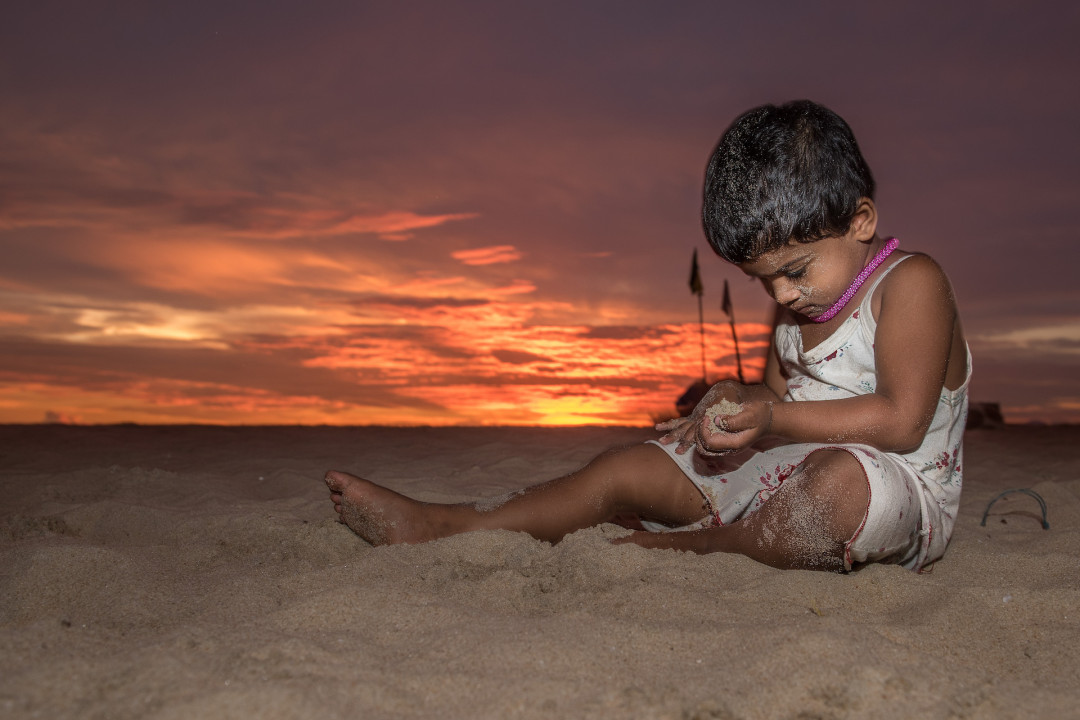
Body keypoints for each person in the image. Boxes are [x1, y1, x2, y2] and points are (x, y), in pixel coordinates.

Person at [327, 100, 970, 573]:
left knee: (834, 487)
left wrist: (771, 414)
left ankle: (699, 547)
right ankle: (457, 525)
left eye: (794, 272)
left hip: (894, 488)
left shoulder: (910, 284)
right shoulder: (797, 303)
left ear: (861, 221)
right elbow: (779, 400)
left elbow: (902, 421)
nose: (780, 296)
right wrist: (736, 405)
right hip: (791, 467)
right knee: (626, 466)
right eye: (762, 281)